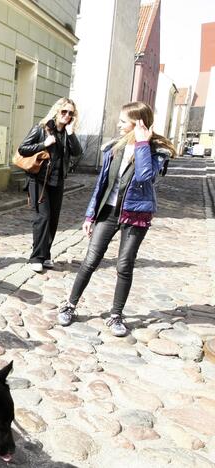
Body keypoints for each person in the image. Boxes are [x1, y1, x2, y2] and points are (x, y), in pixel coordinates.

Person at [56, 101, 174, 337]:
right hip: (108, 212)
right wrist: (90, 214)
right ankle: (70, 304)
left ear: (139, 123)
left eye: (123, 121)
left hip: (135, 215)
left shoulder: (155, 151)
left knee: (124, 265)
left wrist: (141, 142)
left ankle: (116, 315)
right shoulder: (114, 148)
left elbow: (144, 176)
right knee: (90, 260)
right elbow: (102, 185)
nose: (118, 125)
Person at [18, 97, 82, 273]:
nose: (67, 115)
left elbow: (78, 152)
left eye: (70, 113)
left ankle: (46, 255)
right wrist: (43, 144)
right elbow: (23, 149)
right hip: (39, 180)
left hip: (57, 181)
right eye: (64, 111)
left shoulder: (67, 133)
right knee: (42, 217)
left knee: (53, 220)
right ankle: (35, 258)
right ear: (57, 111)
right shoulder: (42, 128)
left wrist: (71, 133)